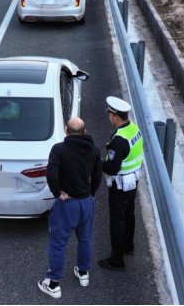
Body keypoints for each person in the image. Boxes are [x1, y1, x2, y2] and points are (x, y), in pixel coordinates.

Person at [38, 117, 103, 299]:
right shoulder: (94, 149)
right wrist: (91, 193)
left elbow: (51, 174)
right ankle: (83, 273)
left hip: (67, 203)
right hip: (86, 201)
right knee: (85, 239)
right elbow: (97, 175)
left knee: (58, 243)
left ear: (66, 132)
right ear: (85, 131)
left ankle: (53, 284)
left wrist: (57, 193)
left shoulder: (59, 149)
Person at [99, 96, 144, 271]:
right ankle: (128, 245)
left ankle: (116, 260)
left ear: (116, 117)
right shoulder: (134, 129)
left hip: (120, 186)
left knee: (117, 221)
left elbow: (112, 169)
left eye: (110, 114)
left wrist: (99, 163)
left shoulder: (119, 140)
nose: (109, 117)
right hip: (133, 181)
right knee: (129, 214)